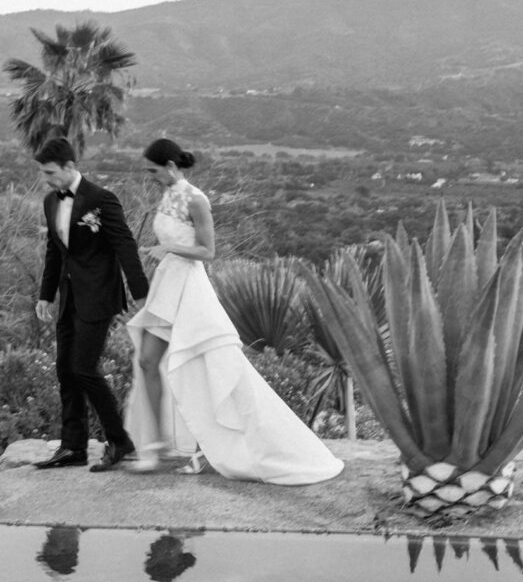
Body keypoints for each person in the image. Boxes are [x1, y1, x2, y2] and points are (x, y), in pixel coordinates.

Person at [125, 138, 344, 485]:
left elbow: (208, 252)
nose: (149, 176)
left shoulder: (196, 200)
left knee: (198, 366)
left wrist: (167, 248)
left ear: (169, 167)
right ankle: (159, 443)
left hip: (190, 289)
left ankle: (201, 447)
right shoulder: (167, 194)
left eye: (152, 170)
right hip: (167, 286)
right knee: (148, 360)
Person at [34, 137, 149, 472]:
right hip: (68, 298)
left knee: (84, 368)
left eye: (51, 172)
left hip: (99, 296)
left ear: (70, 167)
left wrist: (141, 293)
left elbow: (125, 245)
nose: (47, 179)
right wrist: (45, 294)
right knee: (65, 371)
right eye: (44, 173)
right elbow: (55, 251)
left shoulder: (101, 200)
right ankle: (73, 447)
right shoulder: (50, 202)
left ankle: (119, 440)